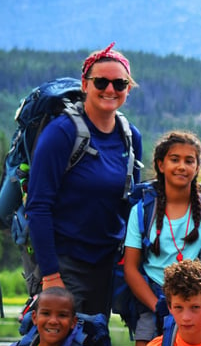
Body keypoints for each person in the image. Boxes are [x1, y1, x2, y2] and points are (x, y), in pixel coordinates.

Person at [25, 42, 143, 317]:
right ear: (85, 84)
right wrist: (51, 275)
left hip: (107, 263)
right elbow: (38, 206)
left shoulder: (130, 137)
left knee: (96, 345)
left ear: (128, 88)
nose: (110, 89)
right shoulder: (61, 134)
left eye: (120, 83)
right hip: (65, 263)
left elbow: (131, 203)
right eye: (101, 81)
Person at [123, 131, 201, 346]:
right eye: (174, 159)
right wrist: (160, 307)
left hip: (198, 306)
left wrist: (190, 307)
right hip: (154, 303)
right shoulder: (142, 212)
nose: (182, 166)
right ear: (161, 165)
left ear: (197, 166)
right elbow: (131, 268)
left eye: (189, 160)